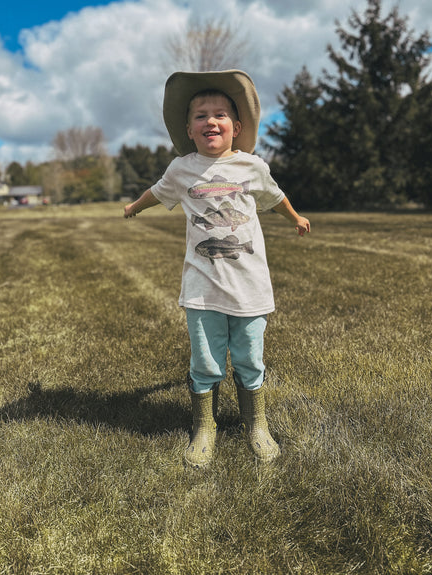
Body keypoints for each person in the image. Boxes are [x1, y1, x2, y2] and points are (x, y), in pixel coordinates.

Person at [124, 69, 310, 467]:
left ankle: (256, 425)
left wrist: (294, 217)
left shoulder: (252, 166)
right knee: (205, 361)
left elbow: (275, 196)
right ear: (188, 130)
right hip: (202, 287)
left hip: (250, 286)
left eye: (220, 114)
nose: (210, 121)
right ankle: (204, 427)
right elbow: (157, 193)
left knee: (249, 357)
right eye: (200, 116)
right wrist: (133, 207)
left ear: (237, 127)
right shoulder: (181, 170)